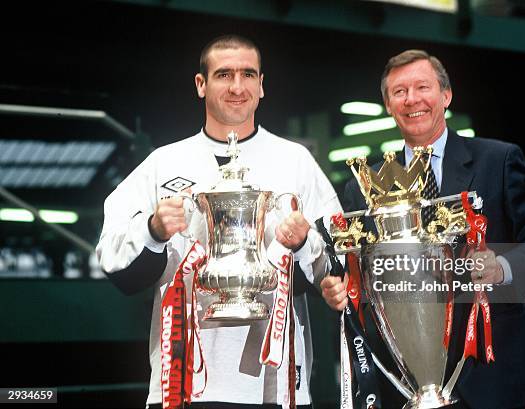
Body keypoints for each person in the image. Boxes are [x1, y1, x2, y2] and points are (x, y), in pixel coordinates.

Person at [96, 34, 342, 409]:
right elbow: (113, 259)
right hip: (183, 381)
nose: (237, 87)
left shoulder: (295, 162)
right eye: (224, 75)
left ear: (262, 85)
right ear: (201, 84)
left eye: (248, 74)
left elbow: (336, 262)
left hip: (274, 382)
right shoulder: (164, 163)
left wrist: (304, 241)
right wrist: (152, 229)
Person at [320, 49, 525, 409]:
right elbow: (352, 272)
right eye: (399, 92)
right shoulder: (363, 186)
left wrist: (502, 268)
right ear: (388, 104)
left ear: (445, 96)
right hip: (404, 381)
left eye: (422, 87)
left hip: (491, 376)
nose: (412, 99)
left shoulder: (498, 160)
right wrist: (337, 287)